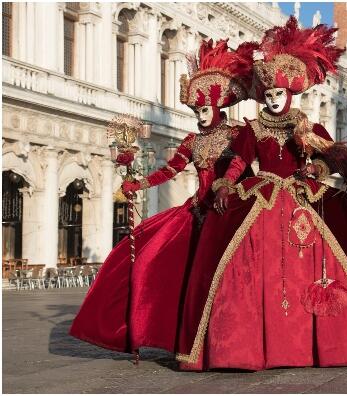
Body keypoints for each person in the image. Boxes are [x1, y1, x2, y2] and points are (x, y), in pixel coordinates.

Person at [184, 17, 347, 371]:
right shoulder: (252, 128)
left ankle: (325, 344)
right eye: (268, 95)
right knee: (239, 258)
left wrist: (315, 169)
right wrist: (225, 184)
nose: (272, 100)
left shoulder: (308, 127)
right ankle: (244, 347)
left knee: (331, 250)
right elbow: (240, 162)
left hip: (303, 196)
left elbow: (330, 160)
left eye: (278, 94)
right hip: (263, 195)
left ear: (290, 94)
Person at [69, 40, 259, 361]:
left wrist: (227, 184)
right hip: (196, 212)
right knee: (146, 260)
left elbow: (242, 163)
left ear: (216, 107)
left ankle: (229, 341)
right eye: (196, 112)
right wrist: (138, 182)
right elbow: (170, 170)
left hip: (228, 212)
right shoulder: (191, 140)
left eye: (203, 110)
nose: (200, 118)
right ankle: (162, 334)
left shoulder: (236, 135)